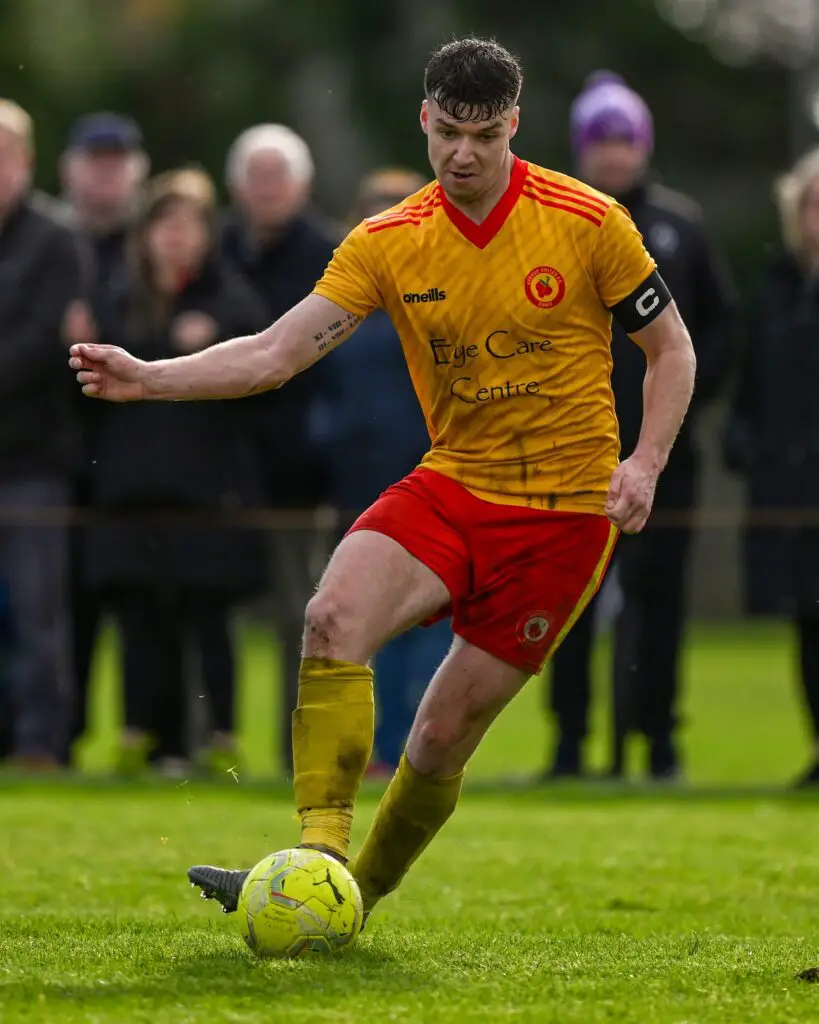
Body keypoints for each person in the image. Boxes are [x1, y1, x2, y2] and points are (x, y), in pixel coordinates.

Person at [69, 38, 696, 923]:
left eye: (483, 134)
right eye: (447, 132)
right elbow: (275, 352)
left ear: (513, 125)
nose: (463, 153)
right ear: (424, 121)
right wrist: (149, 376)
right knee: (329, 619)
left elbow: (670, 349)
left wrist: (645, 462)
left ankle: (355, 895)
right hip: (455, 481)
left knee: (438, 742)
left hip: (563, 516)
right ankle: (315, 857)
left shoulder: (589, 220)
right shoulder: (389, 240)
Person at [545, 72, 735, 781]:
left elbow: (715, 333)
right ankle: (568, 745)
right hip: (574, 454)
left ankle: (657, 743)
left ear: (643, 145)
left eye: (623, 140)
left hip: (662, 457)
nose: (612, 155)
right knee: (567, 604)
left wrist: (677, 409)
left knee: (659, 610)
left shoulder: (680, 228)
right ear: (580, 149)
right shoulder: (559, 224)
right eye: (599, 142)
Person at [83, 168, 267, 775]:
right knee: (140, 621)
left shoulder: (232, 302)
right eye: (166, 223)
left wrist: (212, 338)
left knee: (209, 618)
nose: (177, 237)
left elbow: (263, 370)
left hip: (207, 490)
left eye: (189, 224)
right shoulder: (114, 300)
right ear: (147, 233)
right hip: (131, 488)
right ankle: (142, 739)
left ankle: (219, 740)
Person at [316, 167, 453, 773]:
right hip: (359, 489)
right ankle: (368, 753)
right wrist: (326, 445)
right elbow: (315, 392)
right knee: (359, 628)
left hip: (433, 490)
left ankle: (411, 753)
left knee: (427, 634)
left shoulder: (442, 304)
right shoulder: (341, 310)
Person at [220, 124, 338, 775]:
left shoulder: (329, 254)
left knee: (305, 614)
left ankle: (299, 754)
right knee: (215, 608)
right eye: (255, 177)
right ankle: (209, 744)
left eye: (277, 176)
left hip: (301, 470)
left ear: (302, 185)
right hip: (225, 466)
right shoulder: (219, 250)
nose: (266, 189)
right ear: (238, 186)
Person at [724, 146, 819, 787]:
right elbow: (751, 382)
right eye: (812, 203)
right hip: (789, 490)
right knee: (808, 625)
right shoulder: (777, 289)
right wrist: (743, 439)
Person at [58, 111, 150, 762]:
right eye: (95, 160)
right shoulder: (49, 242)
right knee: (58, 610)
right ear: (70, 169)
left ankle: (147, 737)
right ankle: (56, 734)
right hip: (60, 453)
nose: (106, 173)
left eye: (117, 161)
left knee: (144, 604)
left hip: (136, 456)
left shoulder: (154, 245)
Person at [0, 99, 84, 769]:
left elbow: (37, 345)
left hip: (30, 461)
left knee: (38, 617)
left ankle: (38, 743)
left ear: (26, 161)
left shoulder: (56, 239)